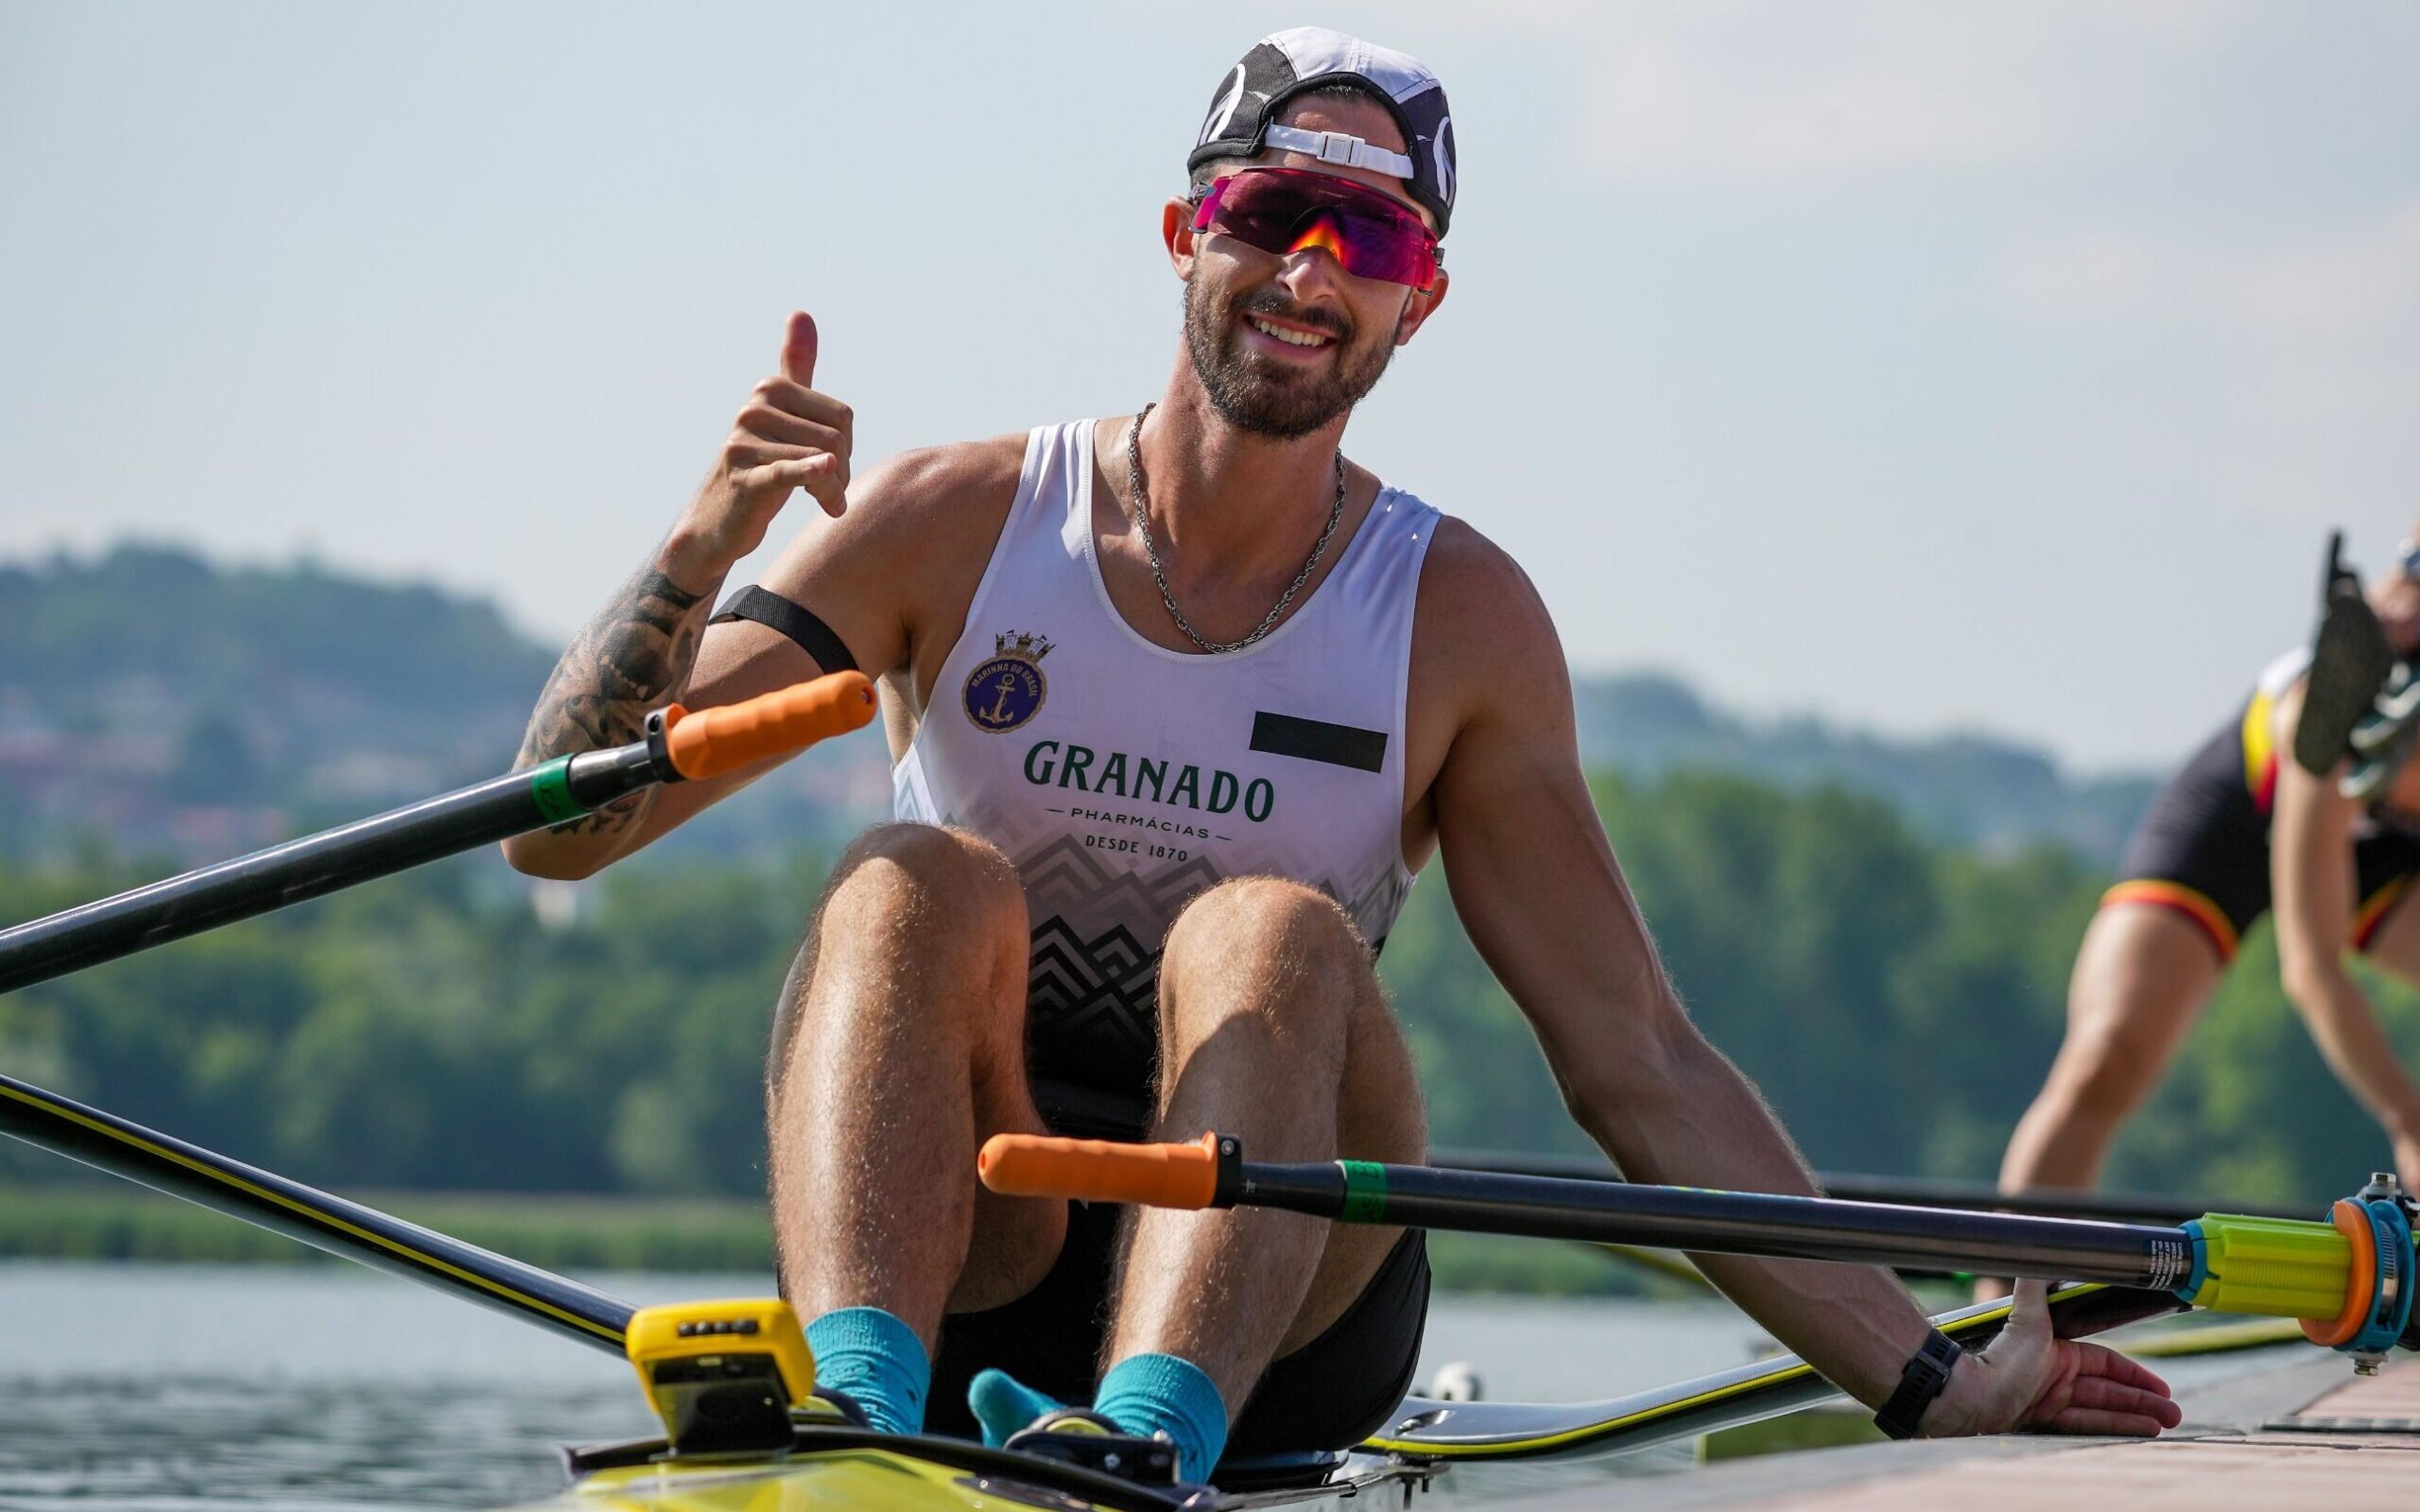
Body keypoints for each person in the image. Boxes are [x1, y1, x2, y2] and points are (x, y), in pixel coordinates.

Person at [504, 26, 2175, 1482]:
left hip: (1287, 1299)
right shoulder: (948, 522)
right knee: (904, 878)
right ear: (1183, 234)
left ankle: (1149, 1427)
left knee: (1273, 928)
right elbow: (559, 839)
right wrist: (695, 555)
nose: (1309, 271)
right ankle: (859, 1411)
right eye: (1266, 212)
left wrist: (1933, 1379)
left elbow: (1638, 1064)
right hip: (971, 1246)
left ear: (1416, 302)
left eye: (1367, 235)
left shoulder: (1457, 618)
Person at [2000, 537, 2420, 1215]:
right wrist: (2406, 1119)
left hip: (2376, 844)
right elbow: (2311, 969)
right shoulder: (2333, 713)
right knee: (2106, 1057)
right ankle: (2011, 1300)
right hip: (2239, 818)